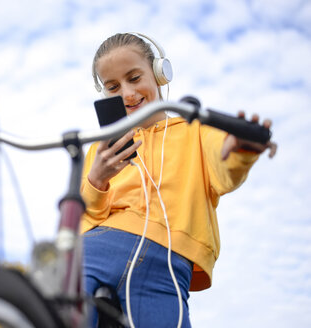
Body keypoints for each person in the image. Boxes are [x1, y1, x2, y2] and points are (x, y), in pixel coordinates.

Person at [81, 32, 277, 327]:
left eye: (134, 78)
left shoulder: (194, 130)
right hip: (96, 249)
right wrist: (96, 179)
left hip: (164, 263)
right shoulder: (101, 147)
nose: (127, 93)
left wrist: (239, 149)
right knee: (57, 311)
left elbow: (225, 169)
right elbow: (81, 220)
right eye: (113, 87)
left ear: (160, 74)